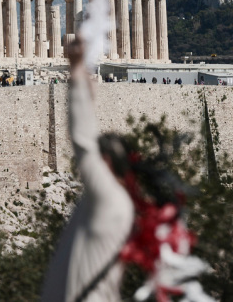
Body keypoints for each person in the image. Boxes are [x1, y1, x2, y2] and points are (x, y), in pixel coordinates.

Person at [41, 39, 134, 301]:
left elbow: (84, 142)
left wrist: (78, 72)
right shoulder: (110, 203)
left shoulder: (109, 198)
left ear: (108, 163)